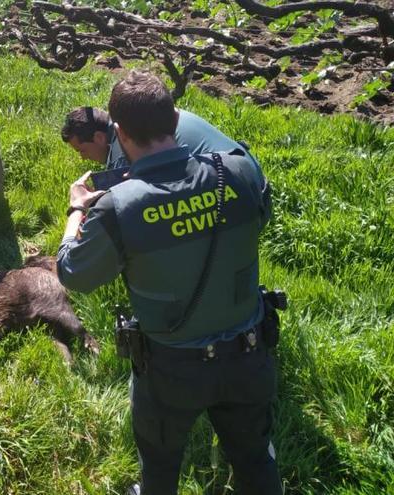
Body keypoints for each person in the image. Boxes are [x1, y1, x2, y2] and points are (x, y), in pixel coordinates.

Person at [57, 71, 281, 495]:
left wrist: (76, 212)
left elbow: (71, 272)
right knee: (256, 459)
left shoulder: (117, 208)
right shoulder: (238, 170)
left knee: (159, 469)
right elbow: (259, 220)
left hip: (169, 370)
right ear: (176, 121)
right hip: (250, 355)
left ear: (118, 133)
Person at [60, 105, 259, 172]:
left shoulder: (125, 147)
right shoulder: (141, 115)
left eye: (82, 150)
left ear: (99, 137)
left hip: (240, 199)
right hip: (247, 173)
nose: (83, 159)